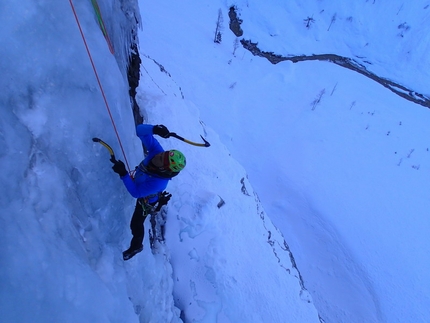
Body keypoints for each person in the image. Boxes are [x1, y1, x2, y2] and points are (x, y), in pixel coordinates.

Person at [111, 124, 186, 260]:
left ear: (165, 169)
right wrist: (154, 129)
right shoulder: (157, 152)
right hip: (142, 186)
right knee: (136, 223)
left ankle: (136, 246)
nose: (158, 156)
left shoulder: (159, 182)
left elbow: (136, 192)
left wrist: (123, 174)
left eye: (162, 159)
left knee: (136, 224)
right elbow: (140, 131)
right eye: (163, 154)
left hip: (147, 201)